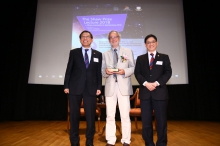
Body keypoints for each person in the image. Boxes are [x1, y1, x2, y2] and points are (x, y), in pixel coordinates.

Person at [64, 30, 102, 146]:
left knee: (90, 117)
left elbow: (98, 73)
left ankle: (89, 142)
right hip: (75, 88)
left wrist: (99, 87)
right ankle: (74, 142)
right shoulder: (74, 53)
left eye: (88, 37)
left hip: (91, 89)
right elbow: (69, 70)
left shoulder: (98, 54)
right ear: (80, 40)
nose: (85, 38)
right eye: (83, 37)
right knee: (74, 116)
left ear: (92, 39)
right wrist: (66, 85)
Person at [134, 34, 172, 146]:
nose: (151, 44)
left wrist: (156, 83)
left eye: (153, 42)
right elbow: (137, 73)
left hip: (160, 93)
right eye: (148, 42)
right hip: (145, 94)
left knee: (161, 121)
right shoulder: (140, 58)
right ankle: (149, 143)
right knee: (146, 122)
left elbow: (168, 73)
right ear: (145, 45)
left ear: (157, 43)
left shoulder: (164, 57)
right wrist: (146, 84)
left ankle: (161, 143)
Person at [102, 30, 135, 146]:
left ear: (119, 38)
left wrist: (124, 71)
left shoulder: (127, 51)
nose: (113, 39)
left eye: (115, 37)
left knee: (125, 115)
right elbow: (102, 72)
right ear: (109, 40)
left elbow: (133, 68)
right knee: (110, 115)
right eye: (111, 37)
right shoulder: (105, 54)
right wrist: (106, 72)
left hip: (123, 87)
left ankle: (126, 140)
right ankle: (110, 140)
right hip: (110, 87)